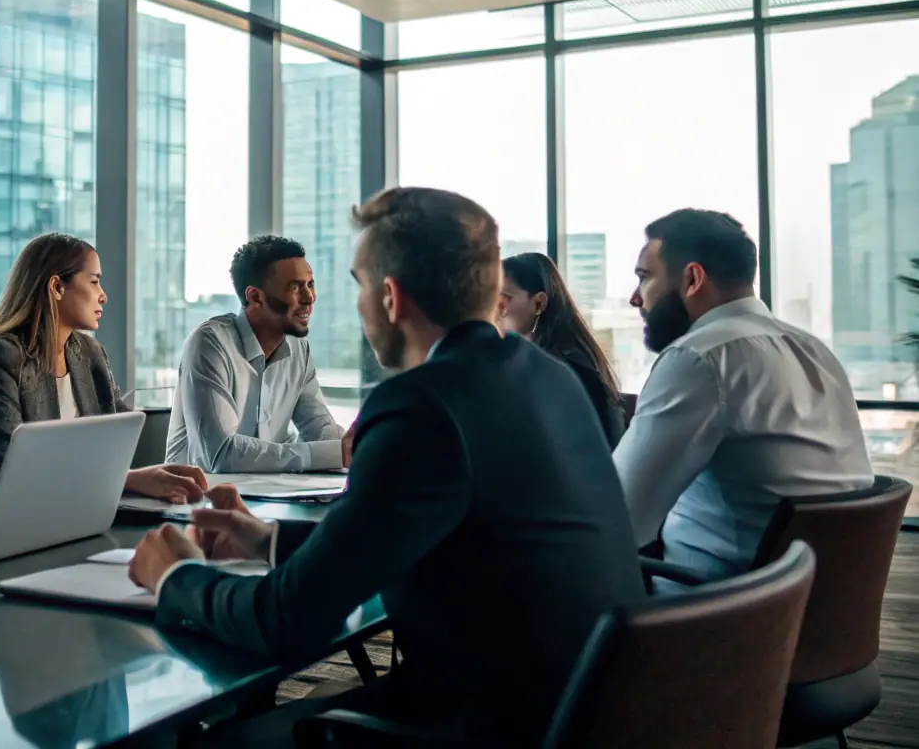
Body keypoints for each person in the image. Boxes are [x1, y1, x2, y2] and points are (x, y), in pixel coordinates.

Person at [130, 188, 644, 746]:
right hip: (590, 710)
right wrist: (266, 540)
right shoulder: (549, 379)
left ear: (391, 297)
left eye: (357, 285)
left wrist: (175, 575)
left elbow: (284, 623)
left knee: (213, 741)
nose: (351, 304)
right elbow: (402, 538)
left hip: (488, 728)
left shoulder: (420, 406)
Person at [616, 209, 874, 580]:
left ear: (692, 278)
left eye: (645, 277)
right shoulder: (815, 350)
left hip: (717, 609)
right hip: (815, 602)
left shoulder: (699, 358)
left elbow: (619, 516)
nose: (635, 299)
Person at [0, 232, 207, 507]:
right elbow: (11, 471)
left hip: (81, 507)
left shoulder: (90, 353)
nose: (103, 296)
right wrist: (129, 479)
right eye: (94, 282)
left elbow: (116, 444)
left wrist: (158, 475)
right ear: (57, 287)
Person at [165, 236, 348, 473]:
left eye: (310, 284)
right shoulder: (210, 343)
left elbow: (320, 429)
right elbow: (221, 456)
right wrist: (329, 453)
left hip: (268, 498)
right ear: (255, 297)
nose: (309, 298)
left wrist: (354, 446)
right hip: (195, 500)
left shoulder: (298, 350)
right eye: (295, 287)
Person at [498, 252, 627, 448]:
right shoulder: (547, 358)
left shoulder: (562, 368)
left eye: (503, 300)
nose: (494, 311)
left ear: (539, 303)